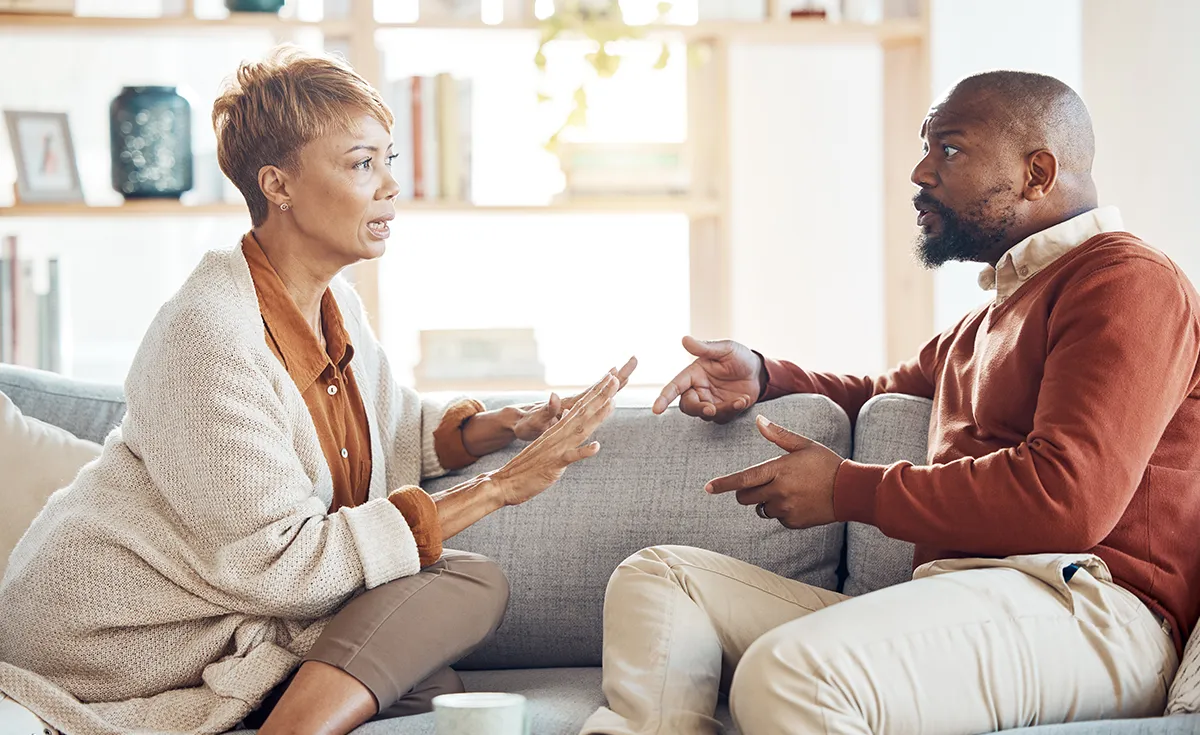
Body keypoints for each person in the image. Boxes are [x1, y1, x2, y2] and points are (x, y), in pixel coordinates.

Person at [0, 46, 636, 735]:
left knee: (431, 674)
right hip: (106, 638)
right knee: (462, 586)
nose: (390, 186)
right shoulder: (207, 335)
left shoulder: (335, 303)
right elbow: (282, 564)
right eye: (363, 163)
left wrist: (508, 425)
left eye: (389, 160)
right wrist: (499, 486)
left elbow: (385, 426)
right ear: (279, 185)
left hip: (233, 610)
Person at [581, 70, 1200, 735]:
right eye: (925, 148)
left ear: (1037, 173)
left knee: (789, 674)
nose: (920, 172)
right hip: (966, 598)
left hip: (1092, 613)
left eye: (949, 150)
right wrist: (764, 375)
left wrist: (850, 489)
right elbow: (878, 393)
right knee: (661, 576)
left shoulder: (1126, 281)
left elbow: (1069, 495)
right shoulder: (982, 322)